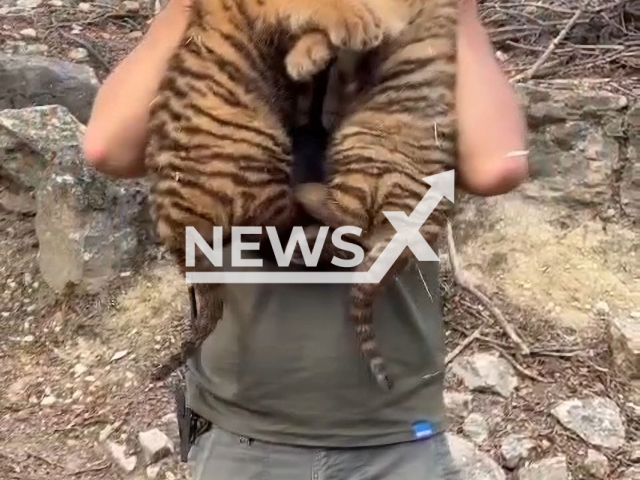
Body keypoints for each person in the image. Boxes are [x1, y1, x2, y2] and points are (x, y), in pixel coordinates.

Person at [84, 0, 529, 478]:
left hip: (392, 430)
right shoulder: (227, 31)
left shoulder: (413, 27)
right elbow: (109, 147)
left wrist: (458, 9)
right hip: (241, 427)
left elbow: (497, 164)